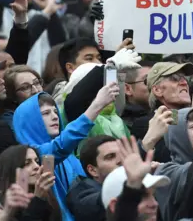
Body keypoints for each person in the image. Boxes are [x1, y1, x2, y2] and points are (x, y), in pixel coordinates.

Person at [12, 83, 120, 221]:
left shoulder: (71, 158)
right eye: (45, 113)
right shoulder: (36, 154)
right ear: (29, 122)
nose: (55, 117)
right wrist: (97, 104)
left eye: (55, 111)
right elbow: (63, 143)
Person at [0, 144, 59, 219]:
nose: (36, 166)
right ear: (12, 170)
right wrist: (38, 199)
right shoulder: (1, 207)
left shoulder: (47, 196)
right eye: (27, 163)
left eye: (37, 161)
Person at [67, 135, 121, 219]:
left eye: (122, 154)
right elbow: (100, 201)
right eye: (110, 157)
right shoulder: (81, 195)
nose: (120, 160)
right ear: (93, 170)